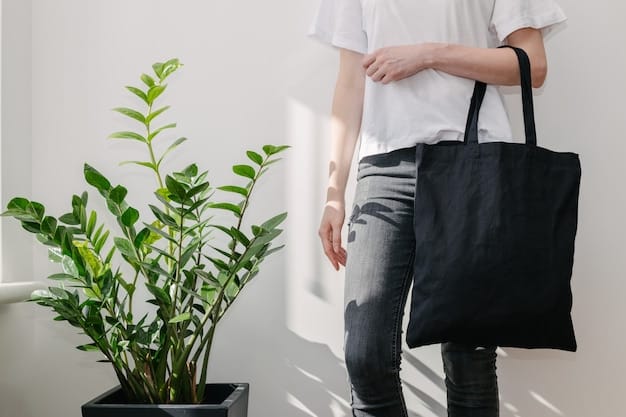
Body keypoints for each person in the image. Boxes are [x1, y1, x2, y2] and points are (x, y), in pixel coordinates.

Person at [307, 0, 567, 416]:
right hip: (384, 166)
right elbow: (350, 83)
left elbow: (532, 65)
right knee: (365, 355)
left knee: (469, 358)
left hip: (472, 163)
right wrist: (333, 192)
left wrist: (429, 54)